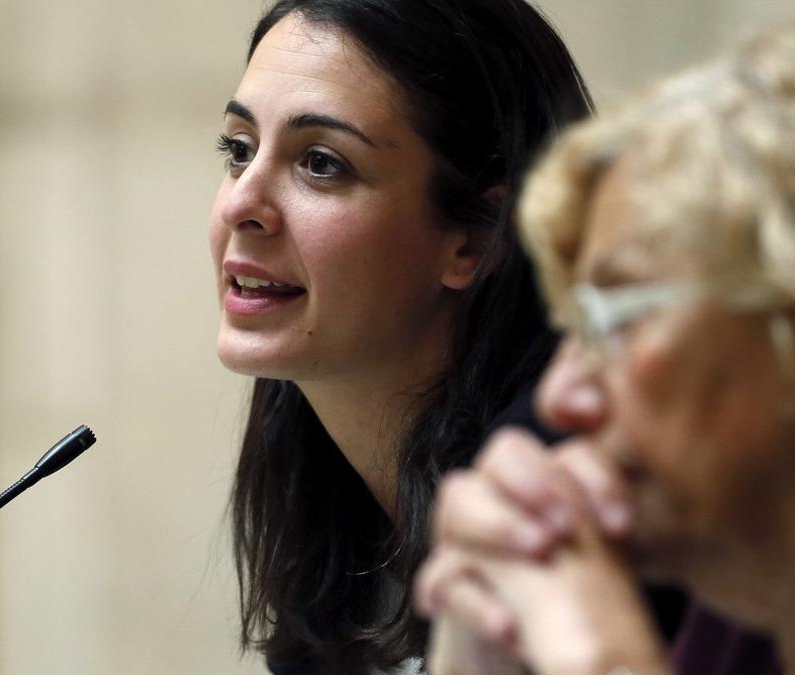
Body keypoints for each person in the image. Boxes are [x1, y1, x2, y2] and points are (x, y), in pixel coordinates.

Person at [415, 3, 795, 674]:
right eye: (574, 332)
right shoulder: (748, 600)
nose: (558, 400)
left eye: (617, 321)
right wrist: (484, 653)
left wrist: (596, 653)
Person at [208, 0, 598, 672]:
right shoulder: (333, 513)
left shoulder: (552, 511)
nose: (242, 203)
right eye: (239, 150)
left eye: (321, 163)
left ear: (474, 237)